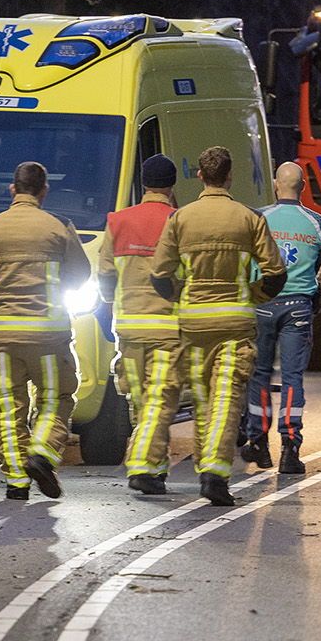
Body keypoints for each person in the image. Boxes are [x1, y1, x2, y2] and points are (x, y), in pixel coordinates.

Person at [148, 146, 286, 507]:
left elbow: (160, 275)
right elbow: (276, 274)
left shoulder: (180, 218)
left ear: (199, 177)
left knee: (205, 401)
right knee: (225, 401)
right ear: (229, 176)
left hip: (192, 327)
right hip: (235, 325)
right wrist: (250, 296)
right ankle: (214, 475)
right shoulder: (249, 219)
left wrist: (184, 296)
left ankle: (204, 467)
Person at [0, 162, 91, 500]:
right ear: (44, 191)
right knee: (55, 399)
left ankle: (16, 482)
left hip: (6, 337)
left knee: (9, 407)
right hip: (49, 335)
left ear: (13, 189)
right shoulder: (59, 227)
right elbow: (80, 275)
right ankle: (42, 453)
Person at [99, 154, 184, 494]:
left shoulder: (118, 221)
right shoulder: (179, 220)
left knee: (140, 400)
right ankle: (143, 467)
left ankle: (156, 466)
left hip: (129, 328)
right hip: (167, 327)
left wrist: (111, 310)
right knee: (160, 400)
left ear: (143, 183)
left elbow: (105, 274)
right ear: (172, 185)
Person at [241, 162, 321, 475]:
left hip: (262, 302)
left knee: (259, 373)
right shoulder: (317, 222)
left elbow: (248, 258)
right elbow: (316, 265)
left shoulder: (259, 217)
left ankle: (259, 443)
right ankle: (290, 449)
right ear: (302, 187)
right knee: (292, 376)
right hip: (298, 306)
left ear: (276, 185)